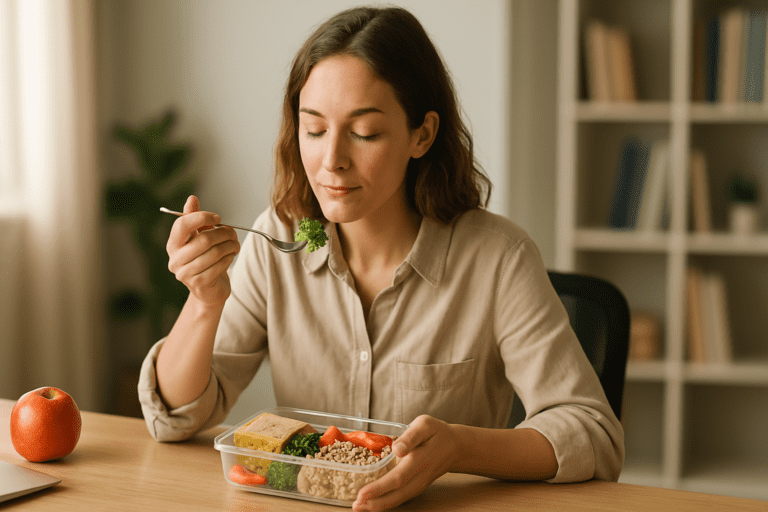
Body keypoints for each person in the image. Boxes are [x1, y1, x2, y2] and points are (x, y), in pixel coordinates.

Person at [138, 5, 623, 511]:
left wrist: (460, 447)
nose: (332, 161)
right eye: (314, 129)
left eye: (364, 132)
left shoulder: (498, 258)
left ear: (422, 135)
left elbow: (592, 433)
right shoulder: (277, 239)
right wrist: (203, 301)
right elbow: (174, 417)